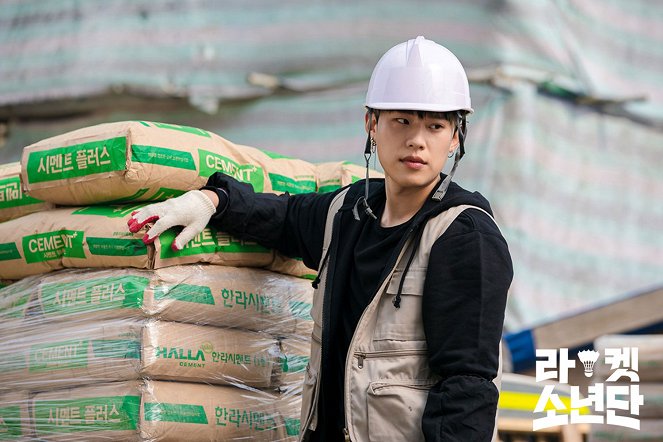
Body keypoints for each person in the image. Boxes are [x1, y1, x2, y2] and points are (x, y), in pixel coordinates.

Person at [128, 36, 512, 442]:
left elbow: (468, 386)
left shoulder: (465, 237)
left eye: (435, 126)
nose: (417, 140)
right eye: (402, 121)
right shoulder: (347, 214)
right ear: (372, 124)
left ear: (455, 138)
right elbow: (285, 218)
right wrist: (213, 201)